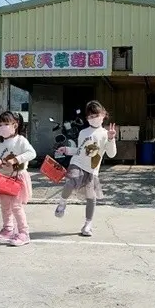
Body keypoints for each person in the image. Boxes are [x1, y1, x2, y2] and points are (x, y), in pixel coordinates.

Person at [54, 100, 117, 236]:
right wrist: (67, 150)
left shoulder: (106, 134)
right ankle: (62, 202)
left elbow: (112, 154)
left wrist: (111, 139)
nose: (93, 119)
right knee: (71, 180)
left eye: (95, 115)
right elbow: (79, 150)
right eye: (90, 117)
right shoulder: (83, 132)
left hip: (92, 169)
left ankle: (88, 224)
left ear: (103, 114)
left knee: (91, 197)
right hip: (77, 162)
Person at [0, 111, 36, 247]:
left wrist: (16, 159)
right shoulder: (0, 145)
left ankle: (24, 233)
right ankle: (8, 229)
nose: (2, 127)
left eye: (6, 124)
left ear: (15, 125)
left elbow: (32, 153)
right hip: (3, 178)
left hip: (17, 177)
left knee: (16, 206)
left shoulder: (21, 140)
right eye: (0, 124)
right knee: (4, 205)